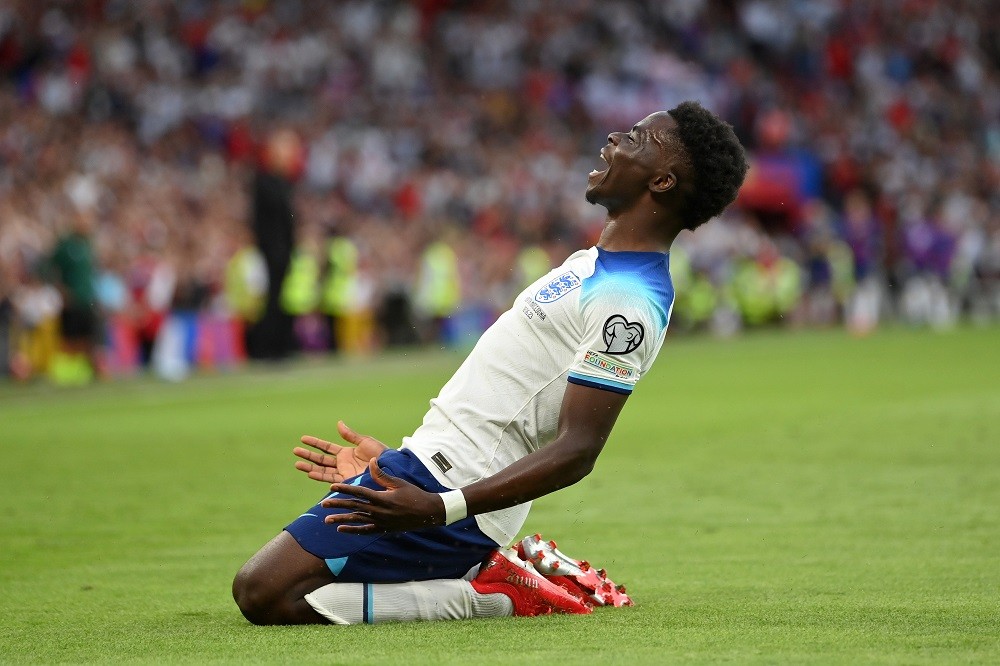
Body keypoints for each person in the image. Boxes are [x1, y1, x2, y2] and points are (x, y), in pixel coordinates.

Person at [233, 102, 749, 625]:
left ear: (661, 182)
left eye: (636, 139)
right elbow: (514, 395)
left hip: (451, 499)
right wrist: (397, 459)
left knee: (264, 592)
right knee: (276, 586)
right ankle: (482, 571)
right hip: (427, 469)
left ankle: (498, 593)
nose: (614, 138)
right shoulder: (596, 264)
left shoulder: (630, 300)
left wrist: (440, 507)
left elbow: (579, 448)